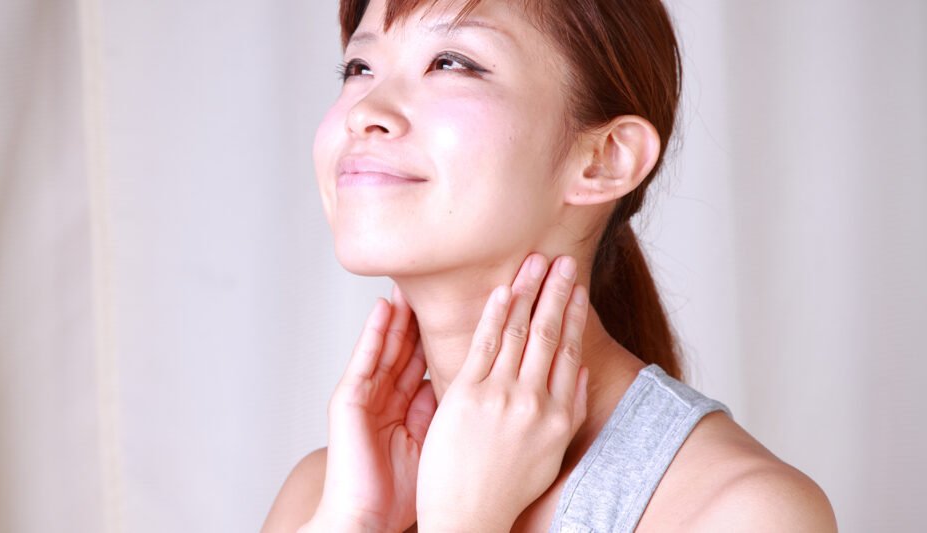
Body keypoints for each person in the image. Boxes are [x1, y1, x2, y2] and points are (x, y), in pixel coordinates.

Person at [264, 0, 837, 530]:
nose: (367, 111)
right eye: (359, 67)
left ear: (605, 159)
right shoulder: (324, 496)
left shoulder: (741, 511)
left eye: (450, 62)